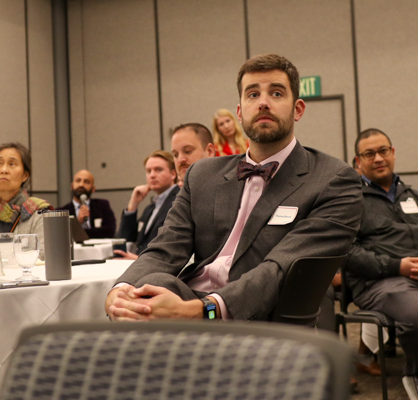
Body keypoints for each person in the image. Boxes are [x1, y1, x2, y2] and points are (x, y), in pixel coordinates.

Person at [105, 53, 362, 327]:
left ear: (297, 109)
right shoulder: (202, 175)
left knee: (149, 303)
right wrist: (120, 290)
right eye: (252, 95)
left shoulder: (332, 179)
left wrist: (202, 310)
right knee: (146, 288)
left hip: (261, 317)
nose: (263, 102)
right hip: (187, 301)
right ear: (240, 113)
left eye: (276, 93)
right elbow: (164, 249)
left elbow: (279, 269)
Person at [346, 128, 418, 399]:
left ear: (393, 153)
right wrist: (396, 266)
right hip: (379, 282)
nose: (378, 158)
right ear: (358, 162)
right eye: (369, 154)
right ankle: (415, 375)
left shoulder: (411, 195)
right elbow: (348, 255)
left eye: (383, 151)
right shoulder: (351, 201)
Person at [0, 143, 52, 257]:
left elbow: (44, 256)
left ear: (25, 175)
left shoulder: (39, 212)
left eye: (12, 164)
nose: (4, 170)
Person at [115, 150, 179, 260]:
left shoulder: (179, 201)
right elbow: (125, 239)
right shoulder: (150, 208)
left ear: (173, 174)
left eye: (158, 170)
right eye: (148, 171)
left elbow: (175, 247)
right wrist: (133, 204)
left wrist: (138, 259)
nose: (152, 175)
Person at [57, 169, 116, 238]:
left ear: (93, 188)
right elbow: (61, 235)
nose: (81, 184)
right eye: (78, 181)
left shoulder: (102, 205)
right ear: (72, 186)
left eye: (86, 182)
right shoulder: (62, 212)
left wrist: (77, 232)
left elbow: (109, 231)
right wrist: (78, 223)